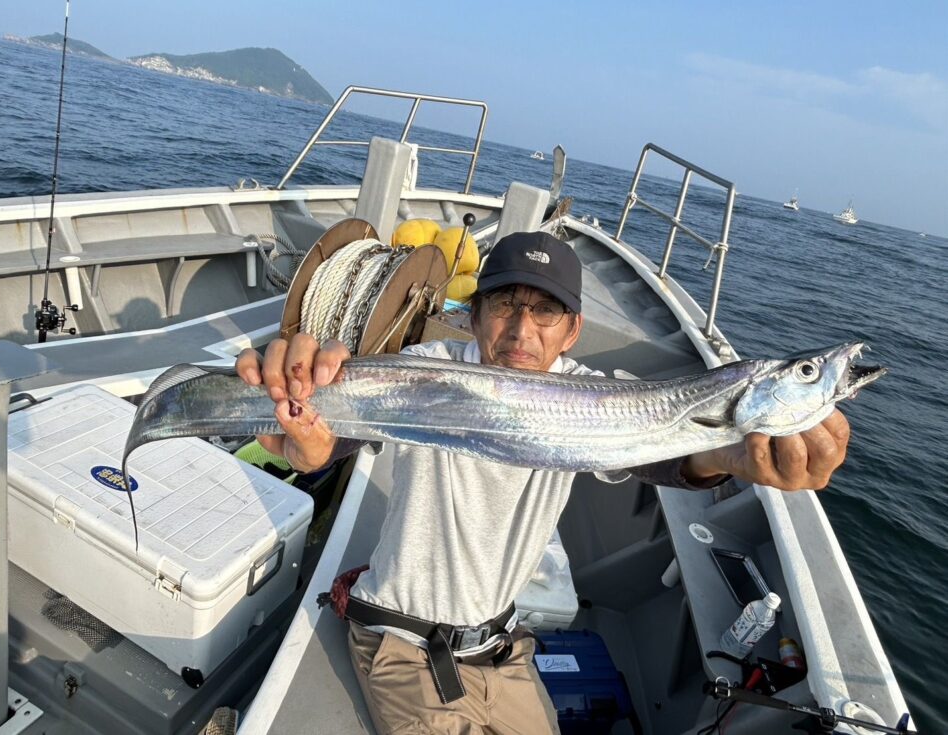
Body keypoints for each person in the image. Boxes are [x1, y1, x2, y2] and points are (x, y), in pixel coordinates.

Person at [235, 231, 850, 735]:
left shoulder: (593, 398)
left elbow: (664, 457)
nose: (521, 330)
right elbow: (334, 436)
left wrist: (736, 461)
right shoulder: (429, 372)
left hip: (503, 649)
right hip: (401, 643)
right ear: (473, 316)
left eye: (545, 310)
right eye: (504, 304)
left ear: (572, 329)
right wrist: (311, 437)